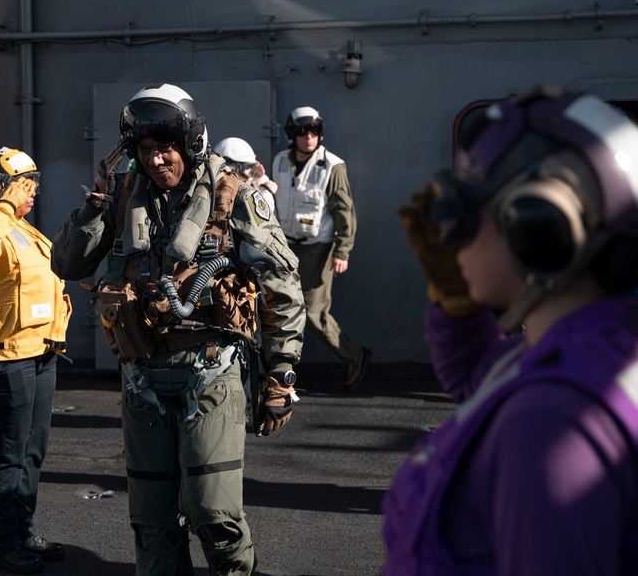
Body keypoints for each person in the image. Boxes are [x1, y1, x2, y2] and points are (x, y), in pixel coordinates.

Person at [51, 83, 306, 575]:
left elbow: (282, 285)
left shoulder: (234, 197)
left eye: (165, 147)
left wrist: (282, 373)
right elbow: (68, 261)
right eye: (145, 150)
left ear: (189, 143)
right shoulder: (123, 195)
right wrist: (99, 197)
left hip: (211, 372)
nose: (156, 160)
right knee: (152, 524)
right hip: (143, 379)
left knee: (214, 514)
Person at [385, 86, 638, 575]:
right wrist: (458, 305)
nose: (446, 229)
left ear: (535, 226)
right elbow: (477, 379)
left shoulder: (552, 424)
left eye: (463, 207)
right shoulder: (587, 347)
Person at [0, 147, 73, 575]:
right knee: (7, 453)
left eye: (34, 185)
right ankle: (1, 544)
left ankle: (22, 530)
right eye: (24, 185)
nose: (33, 193)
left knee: (31, 451)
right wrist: (1, 202)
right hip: (4, 359)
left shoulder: (25, 231)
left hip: (40, 352)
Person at [271, 105, 372, 390]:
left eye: (313, 131)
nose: (308, 138)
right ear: (292, 134)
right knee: (278, 305)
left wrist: (343, 251)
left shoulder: (332, 165)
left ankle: (354, 353)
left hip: (319, 248)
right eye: (302, 132)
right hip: (286, 247)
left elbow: (344, 210)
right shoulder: (279, 161)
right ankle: (278, 372)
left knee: (313, 311)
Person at [213, 136, 278, 211]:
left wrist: (261, 180)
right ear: (229, 169)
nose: (250, 178)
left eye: (252, 170)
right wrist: (266, 191)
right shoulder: (230, 199)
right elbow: (264, 214)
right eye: (247, 168)